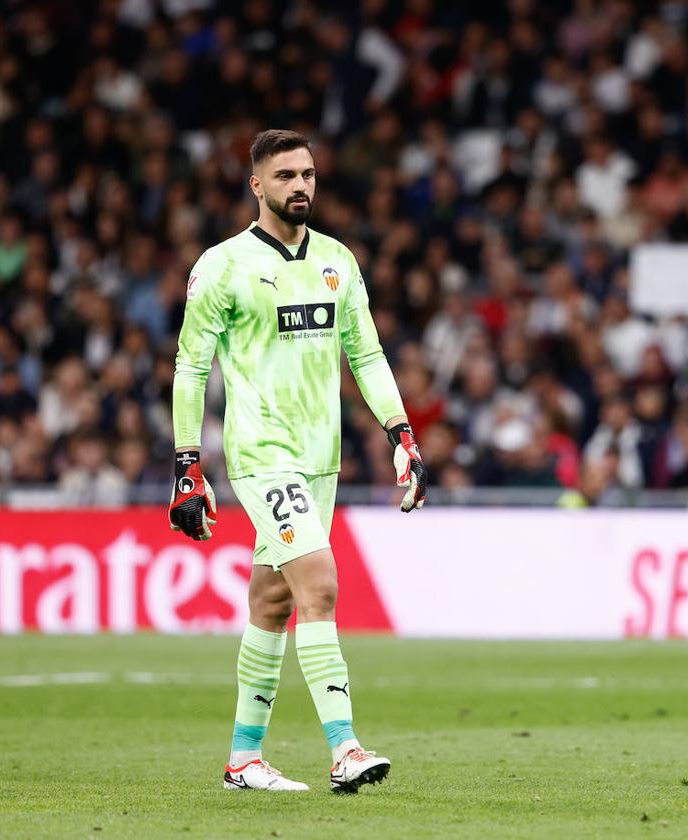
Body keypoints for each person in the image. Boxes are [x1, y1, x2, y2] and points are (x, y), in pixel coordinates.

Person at [169, 130, 428, 793]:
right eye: (285, 176)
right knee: (320, 584)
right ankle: (344, 748)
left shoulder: (338, 261)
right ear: (257, 185)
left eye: (308, 174)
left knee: (273, 600)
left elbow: (366, 356)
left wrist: (401, 431)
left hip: (321, 461)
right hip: (262, 456)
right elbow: (191, 368)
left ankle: (243, 760)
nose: (301, 186)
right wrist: (187, 465)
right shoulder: (222, 266)